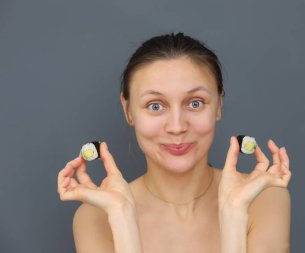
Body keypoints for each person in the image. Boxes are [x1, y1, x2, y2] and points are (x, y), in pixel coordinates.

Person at [57, 32, 292, 253]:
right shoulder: (95, 217)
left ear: (219, 105)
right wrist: (122, 217)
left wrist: (234, 214)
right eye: (155, 106)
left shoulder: (263, 200)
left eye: (195, 103)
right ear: (128, 110)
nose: (177, 126)